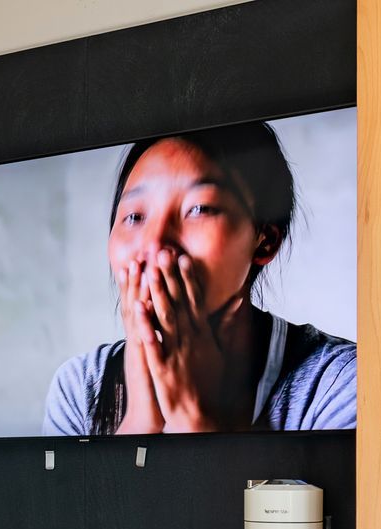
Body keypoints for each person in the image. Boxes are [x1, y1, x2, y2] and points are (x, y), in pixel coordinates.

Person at [43, 122, 355, 435]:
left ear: (265, 240)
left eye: (199, 209)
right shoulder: (80, 389)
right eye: (135, 216)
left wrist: (189, 416)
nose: (155, 244)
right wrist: (141, 418)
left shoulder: (339, 385)